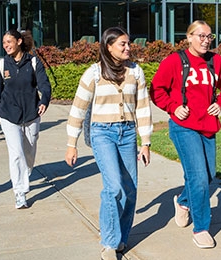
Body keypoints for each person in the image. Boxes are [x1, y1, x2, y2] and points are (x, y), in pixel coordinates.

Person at [65, 27, 153, 260]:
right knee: (113, 187)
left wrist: (145, 142)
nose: (128, 47)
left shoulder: (136, 72)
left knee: (130, 189)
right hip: (102, 133)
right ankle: (109, 242)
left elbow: (143, 107)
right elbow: (78, 108)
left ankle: (121, 238)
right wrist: (71, 143)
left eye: (128, 43)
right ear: (108, 46)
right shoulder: (93, 73)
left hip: (127, 134)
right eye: (122, 44)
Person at [150, 20, 221, 249]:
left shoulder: (216, 61)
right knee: (198, 177)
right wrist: (173, 106)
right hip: (183, 126)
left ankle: (183, 202)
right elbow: (156, 90)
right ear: (188, 37)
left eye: (209, 37)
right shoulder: (174, 61)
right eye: (201, 36)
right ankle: (201, 229)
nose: (206, 40)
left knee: (208, 176)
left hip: (207, 124)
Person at [0, 30, 52, 209]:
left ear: (19, 41)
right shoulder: (1, 66)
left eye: (9, 41)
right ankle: (20, 192)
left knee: (29, 153)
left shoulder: (33, 62)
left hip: (32, 115)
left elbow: (45, 85)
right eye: (3, 42)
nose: (5, 45)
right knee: (16, 154)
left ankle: (25, 174)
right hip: (9, 116)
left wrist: (44, 100)